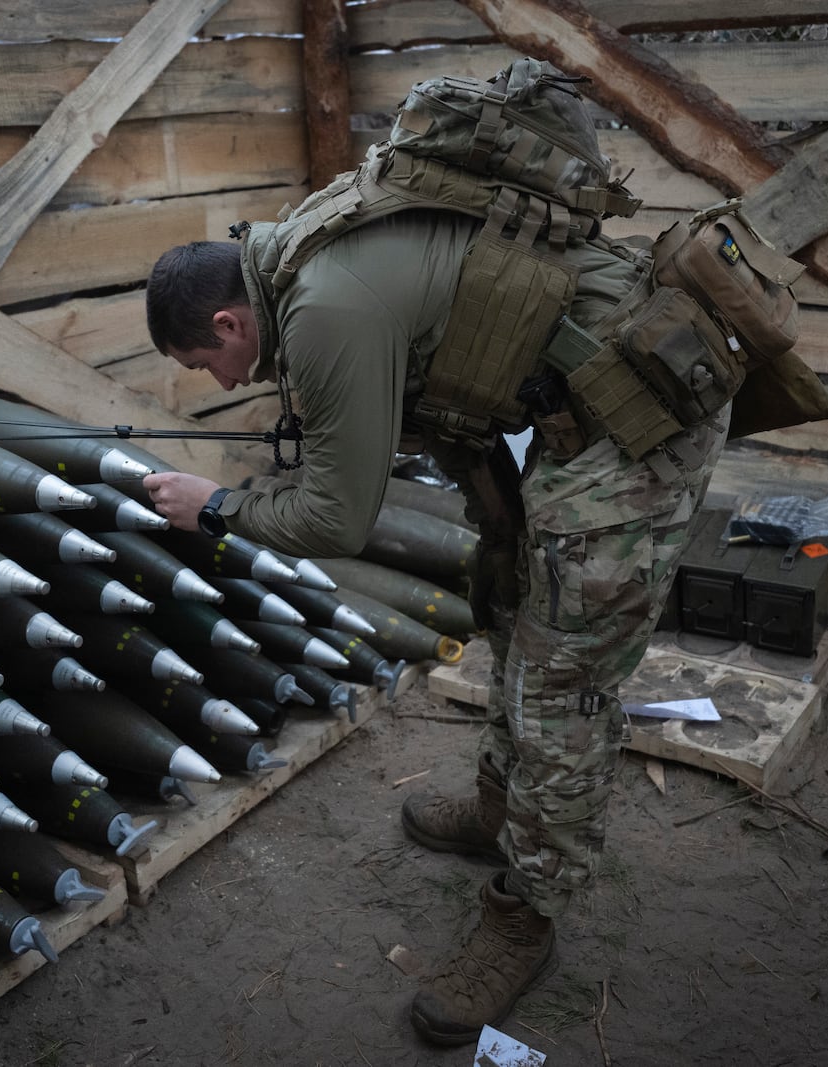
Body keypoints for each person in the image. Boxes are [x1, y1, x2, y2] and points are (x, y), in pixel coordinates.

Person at [139, 207, 732, 1046]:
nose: (225, 383)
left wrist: (219, 508)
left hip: (639, 423)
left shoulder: (322, 310)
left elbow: (337, 520)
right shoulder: (300, 260)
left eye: (210, 362)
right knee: (514, 604)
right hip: (576, 411)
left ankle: (526, 917)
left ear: (231, 321)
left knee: (561, 678)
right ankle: (502, 807)